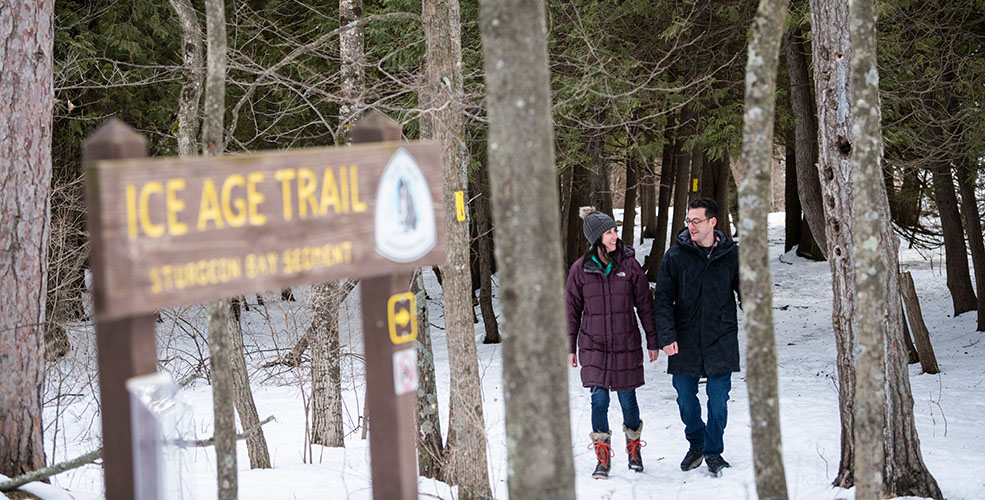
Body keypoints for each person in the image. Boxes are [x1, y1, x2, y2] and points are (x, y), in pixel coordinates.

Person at [566, 206, 659, 479]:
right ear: (596, 237)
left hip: (625, 344)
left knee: (628, 400)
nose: (614, 236)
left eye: (615, 230)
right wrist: (570, 347)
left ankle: (633, 449)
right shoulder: (580, 269)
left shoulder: (629, 265)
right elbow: (571, 311)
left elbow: (645, 305)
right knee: (599, 401)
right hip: (593, 346)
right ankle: (602, 458)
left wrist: (653, 341)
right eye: (608, 232)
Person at [653, 197, 740, 477]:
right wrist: (666, 335)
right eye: (688, 221)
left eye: (696, 221)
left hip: (721, 336)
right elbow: (663, 299)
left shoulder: (732, 255)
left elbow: (747, 290)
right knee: (685, 397)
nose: (690, 225)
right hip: (685, 337)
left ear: (712, 222)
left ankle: (714, 452)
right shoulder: (675, 256)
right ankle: (697, 442)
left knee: (718, 398)